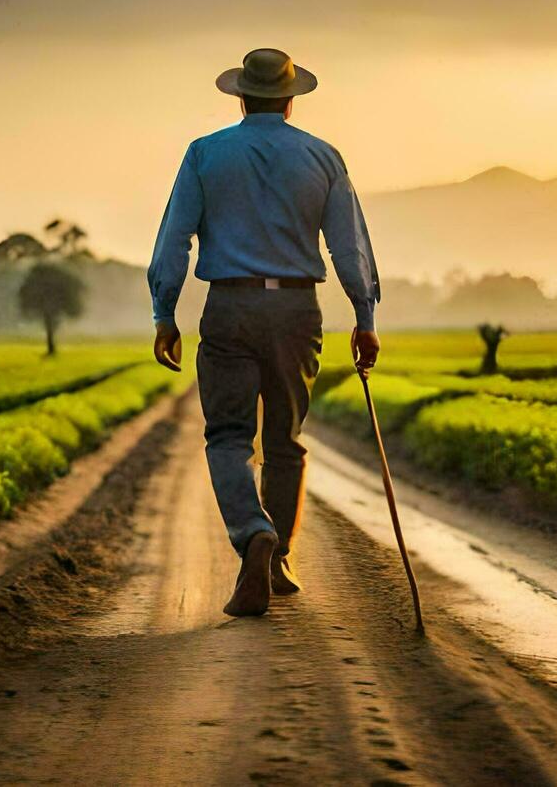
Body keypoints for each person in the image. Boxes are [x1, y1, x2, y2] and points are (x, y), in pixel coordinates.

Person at [146, 48, 381, 618]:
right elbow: (348, 248)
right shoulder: (323, 156)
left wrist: (165, 313)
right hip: (298, 311)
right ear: (292, 99)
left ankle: (254, 534)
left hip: (228, 305)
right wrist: (365, 318)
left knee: (228, 437)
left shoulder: (204, 154)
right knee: (285, 441)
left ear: (241, 96)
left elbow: (174, 238)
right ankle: (277, 560)